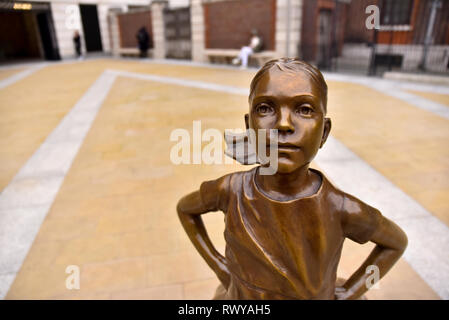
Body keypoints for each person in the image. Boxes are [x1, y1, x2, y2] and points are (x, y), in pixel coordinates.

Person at [177, 58, 408, 300]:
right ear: (249, 125)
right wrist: (219, 266)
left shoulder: (339, 208)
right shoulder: (230, 190)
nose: (283, 124)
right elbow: (185, 210)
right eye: (265, 108)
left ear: (324, 132)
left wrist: (352, 291)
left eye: (305, 109)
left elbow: (395, 244)